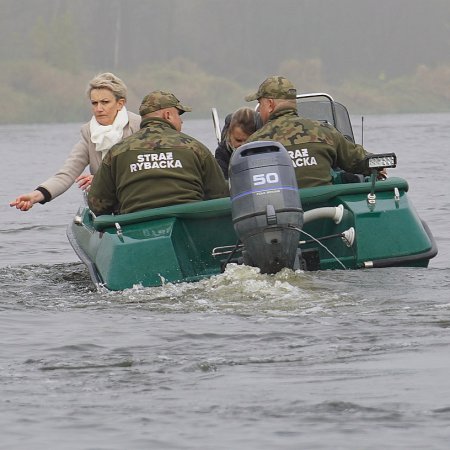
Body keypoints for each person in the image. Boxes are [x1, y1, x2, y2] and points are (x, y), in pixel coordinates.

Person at [9, 72, 141, 211]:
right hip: (108, 206)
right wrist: (35, 196)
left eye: (105, 102)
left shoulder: (140, 126)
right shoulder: (89, 134)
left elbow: (150, 167)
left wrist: (102, 179)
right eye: (94, 103)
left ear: (120, 103)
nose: (98, 109)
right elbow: (66, 174)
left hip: (139, 200)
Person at [88, 90, 229, 216]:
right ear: (167, 115)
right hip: (189, 225)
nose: (181, 121)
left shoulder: (117, 151)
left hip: (135, 227)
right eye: (179, 115)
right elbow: (220, 195)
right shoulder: (195, 148)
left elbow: (97, 204)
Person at [244, 76, 376, 188]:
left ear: (270, 104)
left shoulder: (255, 143)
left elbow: (242, 181)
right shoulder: (325, 131)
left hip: (280, 215)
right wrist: (377, 168)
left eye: (260, 104)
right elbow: (358, 159)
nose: (259, 110)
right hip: (328, 211)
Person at [214, 107, 260, 179]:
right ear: (229, 135)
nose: (242, 146)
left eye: (248, 141)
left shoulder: (266, 149)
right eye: (238, 140)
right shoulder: (222, 153)